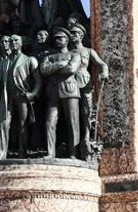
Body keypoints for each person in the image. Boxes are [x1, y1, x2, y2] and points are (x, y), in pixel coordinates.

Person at [0, 35, 41, 159]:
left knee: (23, 124)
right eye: (11, 41)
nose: (13, 42)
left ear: (21, 43)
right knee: (3, 123)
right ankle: (2, 153)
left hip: (22, 95)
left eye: (16, 40)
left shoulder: (29, 60)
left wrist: (33, 94)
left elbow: (38, 80)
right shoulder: (4, 61)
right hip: (7, 96)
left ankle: (23, 152)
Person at [39, 27, 81, 158]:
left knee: (72, 123)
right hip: (53, 94)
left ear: (67, 40)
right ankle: (50, 153)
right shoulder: (48, 57)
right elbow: (44, 70)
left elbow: (71, 69)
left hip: (70, 92)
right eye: (55, 38)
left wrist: (53, 68)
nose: (57, 40)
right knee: (49, 123)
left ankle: (73, 153)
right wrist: (60, 64)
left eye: (60, 38)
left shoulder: (74, 55)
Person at [69, 24, 108, 159]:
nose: (71, 36)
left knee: (86, 112)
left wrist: (104, 72)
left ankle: (86, 138)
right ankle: (73, 145)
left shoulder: (88, 51)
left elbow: (101, 64)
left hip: (85, 84)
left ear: (80, 36)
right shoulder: (67, 51)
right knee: (72, 115)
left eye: (74, 33)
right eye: (71, 33)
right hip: (70, 85)